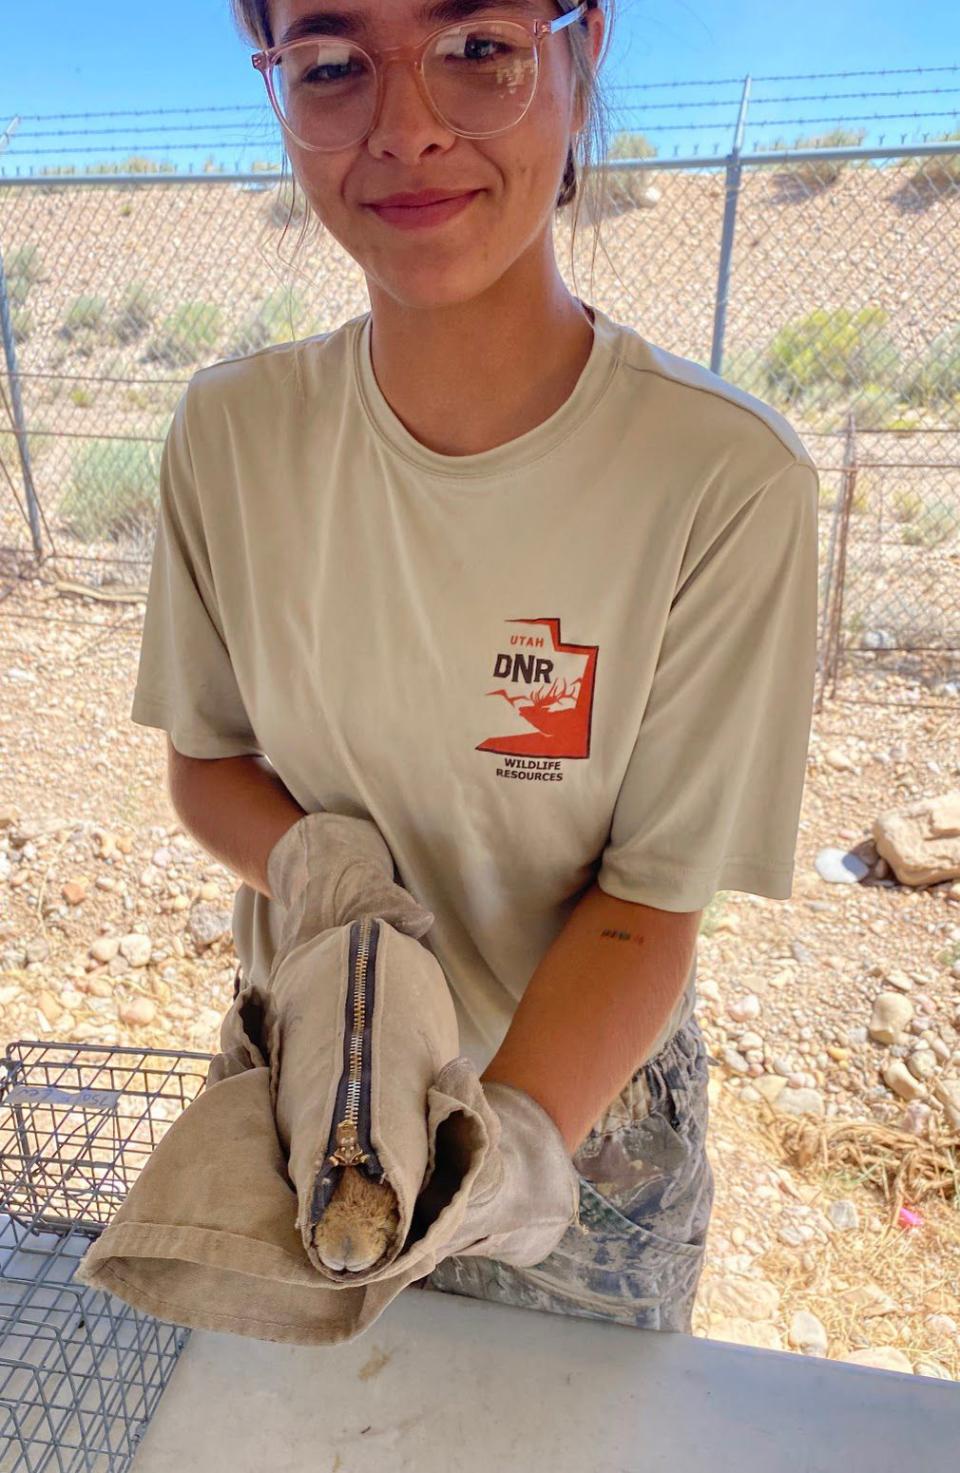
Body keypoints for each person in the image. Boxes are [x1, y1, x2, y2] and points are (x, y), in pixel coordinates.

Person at [131, 0, 820, 1334]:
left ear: (583, 47)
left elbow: (647, 904)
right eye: (333, 65)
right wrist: (326, 874)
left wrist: (494, 1154)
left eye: (478, 48)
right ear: (275, 78)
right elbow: (206, 764)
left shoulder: (723, 480)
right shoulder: (230, 436)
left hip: (579, 1137)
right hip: (305, 1086)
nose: (406, 127)